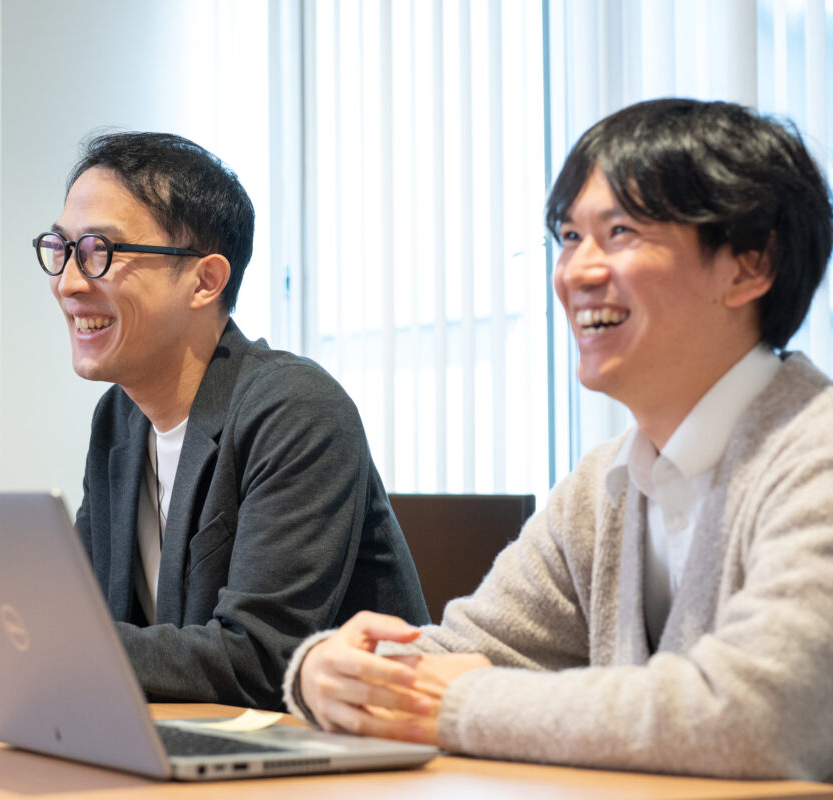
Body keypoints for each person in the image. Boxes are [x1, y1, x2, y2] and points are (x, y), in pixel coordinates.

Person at [283, 98, 833, 780]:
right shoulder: (604, 484)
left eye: (621, 231)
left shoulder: (815, 455)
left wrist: (455, 703)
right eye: (570, 237)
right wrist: (326, 671)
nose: (576, 272)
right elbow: (459, 653)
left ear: (750, 265)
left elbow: (760, 717)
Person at [0, 131, 430, 709]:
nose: (69, 282)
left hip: (341, 747)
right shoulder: (121, 419)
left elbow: (260, 660)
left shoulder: (296, 408)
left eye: (100, 252)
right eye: (61, 249)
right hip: (184, 740)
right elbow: (90, 626)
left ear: (205, 280)